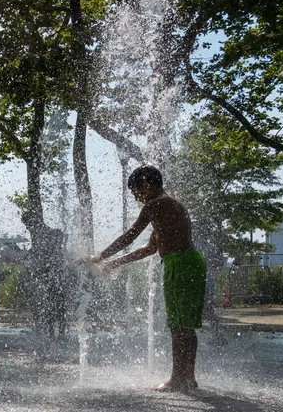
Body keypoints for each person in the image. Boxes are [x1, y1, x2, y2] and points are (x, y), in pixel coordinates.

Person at [87, 165, 206, 392]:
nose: (136, 198)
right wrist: (114, 262)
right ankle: (188, 378)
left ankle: (178, 380)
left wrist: (99, 256)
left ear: (147, 185)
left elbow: (130, 235)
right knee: (184, 325)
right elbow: (150, 248)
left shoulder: (156, 204)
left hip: (181, 264)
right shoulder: (168, 205)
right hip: (187, 263)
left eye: (136, 192)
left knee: (180, 326)